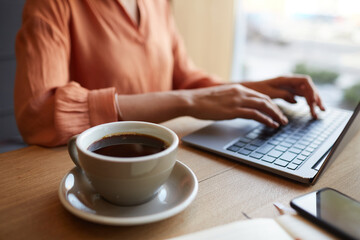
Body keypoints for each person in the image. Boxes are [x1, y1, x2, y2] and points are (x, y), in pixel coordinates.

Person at [14, 0, 325, 147]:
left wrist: (256, 90)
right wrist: (186, 101)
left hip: (160, 155)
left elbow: (187, 81)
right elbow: (39, 113)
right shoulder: (52, 4)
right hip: (93, 173)